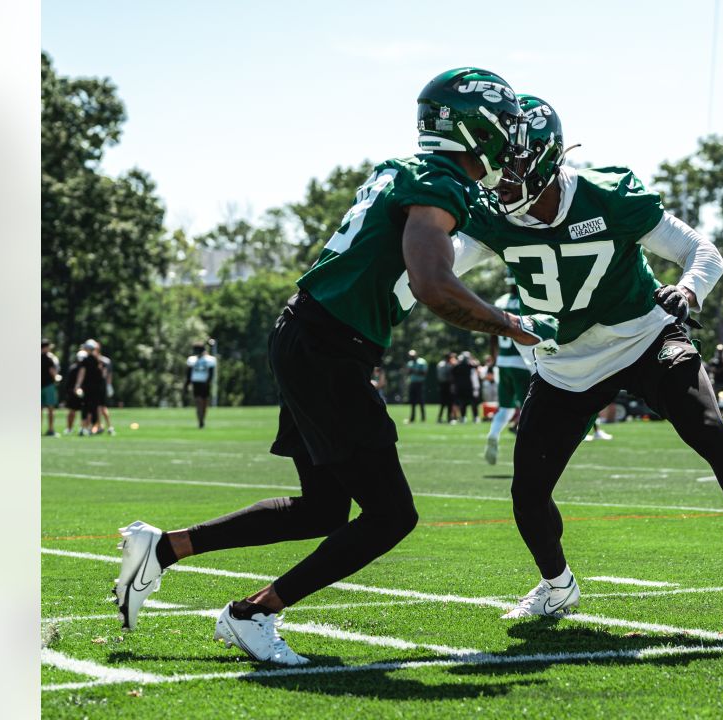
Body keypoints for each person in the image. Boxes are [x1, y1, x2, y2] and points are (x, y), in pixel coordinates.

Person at [113, 68, 544, 665]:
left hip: (308, 333)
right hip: (328, 347)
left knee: (322, 509)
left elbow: (474, 234)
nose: (514, 140)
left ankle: (163, 549)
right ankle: (253, 614)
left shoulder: (408, 170)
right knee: (392, 514)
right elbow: (433, 284)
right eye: (508, 126)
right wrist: (510, 323)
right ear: (477, 126)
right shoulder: (436, 183)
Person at [455, 94, 723, 617]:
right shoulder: (491, 215)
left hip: (643, 337)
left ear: (544, 158)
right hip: (567, 360)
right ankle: (557, 584)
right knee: (528, 493)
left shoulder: (606, 193)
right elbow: (440, 269)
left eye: (512, 162)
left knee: (708, 428)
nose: (500, 176)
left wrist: (687, 291)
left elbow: (702, 253)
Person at [485, 278, 534, 463]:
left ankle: (494, 434)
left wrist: (493, 359)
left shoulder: (500, 301)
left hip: (502, 361)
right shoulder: (526, 300)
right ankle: (527, 451)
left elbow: (491, 332)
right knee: (528, 409)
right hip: (522, 362)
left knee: (504, 407)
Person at [184, 342, 216, 429]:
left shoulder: (209, 359)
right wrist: (187, 384)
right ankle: (200, 421)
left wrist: (208, 382)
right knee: (198, 402)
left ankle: (202, 419)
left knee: (204, 403)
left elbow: (211, 373)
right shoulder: (192, 359)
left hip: (204, 382)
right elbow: (188, 373)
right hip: (196, 382)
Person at [61, 349, 86, 435]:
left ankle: (83, 428)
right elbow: (68, 383)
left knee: (85, 412)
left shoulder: (88, 369)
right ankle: (69, 428)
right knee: (72, 411)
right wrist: (71, 392)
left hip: (85, 393)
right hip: (73, 393)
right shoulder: (73, 368)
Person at [708, 344, 723, 421]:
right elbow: (713, 371)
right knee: (715, 400)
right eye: (719, 351)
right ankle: (717, 416)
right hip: (717, 383)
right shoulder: (714, 361)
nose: (720, 352)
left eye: (721, 351)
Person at [41, 339, 61, 436]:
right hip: (48, 385)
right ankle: (51, 429)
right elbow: (52, 371)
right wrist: (56, 378)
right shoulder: (49, 358)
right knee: (50, 409)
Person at [95, 340, 115, 435]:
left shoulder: (105, 361)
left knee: (101, 407)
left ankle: (109, 426)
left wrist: (109, 385)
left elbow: (108, 375)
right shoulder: (90, 359)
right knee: (97, 407)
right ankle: (99, 426)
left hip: (100, 386)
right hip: (94, 386)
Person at [405, 350, 428, 423]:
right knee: (412, 401)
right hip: (412, 383)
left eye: (412, 356)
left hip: (420, 383)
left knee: (421, 401)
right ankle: (412, 418)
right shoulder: (409, 363)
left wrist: (414, 371)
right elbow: (408, 373)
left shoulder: (422, 362)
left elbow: (424, 373)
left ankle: (423, 418)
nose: (411, 357)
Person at [435, 352, 455, 423]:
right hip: (448, 385)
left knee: (443, 403)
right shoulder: (449, 365)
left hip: (442, 385)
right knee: (449, 403)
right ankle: (449, 418)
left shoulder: (440, 364)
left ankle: (440, 418)